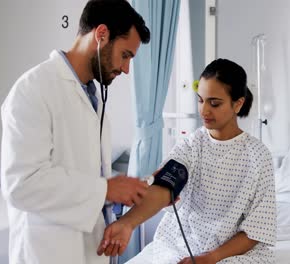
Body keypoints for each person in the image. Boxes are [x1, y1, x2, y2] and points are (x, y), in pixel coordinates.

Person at [0, 1, 151, 263]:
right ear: (101, 35)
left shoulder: (94, 98)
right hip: (47, 252)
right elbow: (20, 185)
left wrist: (140, 188)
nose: (126, 69)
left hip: (90, 248)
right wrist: (105, 189)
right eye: (125, 55)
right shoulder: (33, 89)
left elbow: (86, 171)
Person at [97, 58, 277, 263]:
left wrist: (210, 258)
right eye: (200, 100)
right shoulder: (192, 146)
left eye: (214, 103)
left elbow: (256, 230)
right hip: (180, 246)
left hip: (232, 253)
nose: (204, 111)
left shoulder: (258, 156)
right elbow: (167, 184)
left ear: (238, 104)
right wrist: (127, 223)